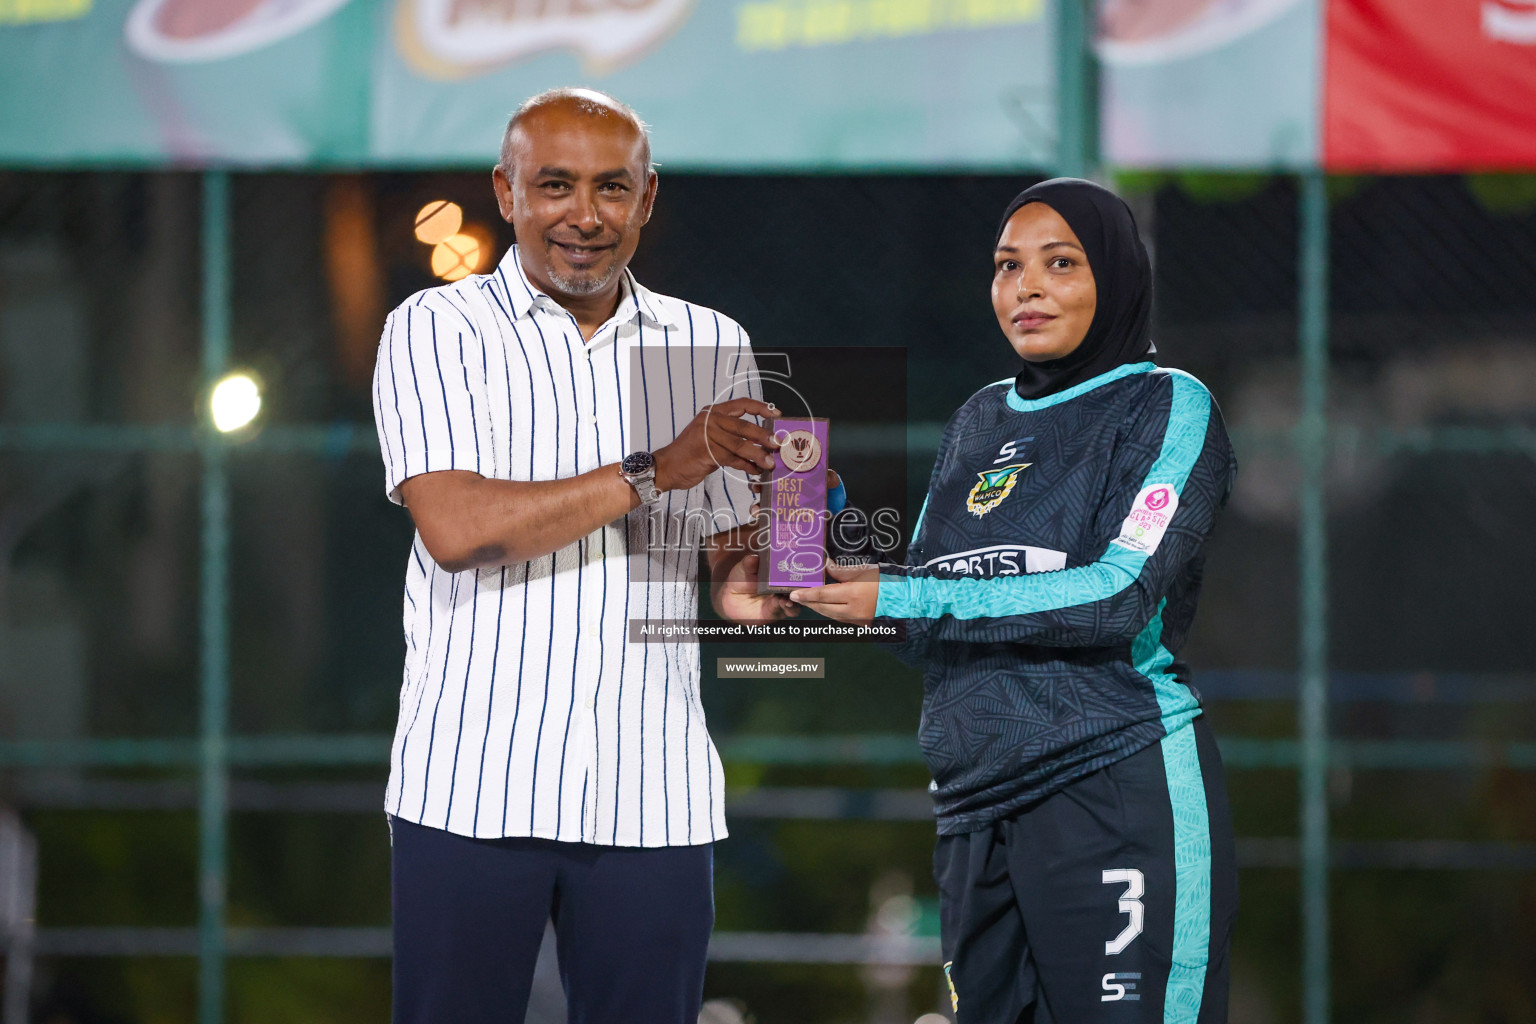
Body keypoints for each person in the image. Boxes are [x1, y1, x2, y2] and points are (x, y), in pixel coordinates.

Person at [370, 87, 795, 1024]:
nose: (584, 215)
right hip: (473, 783)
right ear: (506, 191)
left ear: (647, 199)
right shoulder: (438, 329)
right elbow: (457, 527)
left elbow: (735, 586)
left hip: (655, 791)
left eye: (613, 188)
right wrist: (655, 470)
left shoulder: (708, 339)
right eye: (554, 185)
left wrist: (795, 537)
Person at [793, 178, 1239, 1022]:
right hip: (972, 810)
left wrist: (909, 596)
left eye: (1059, 263)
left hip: (1110, 784)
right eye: (1007, 267)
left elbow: (1119, 595)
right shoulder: (978, 420)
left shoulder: (1165, 402)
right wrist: (825, 559)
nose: (1025, 287)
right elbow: (926, 617)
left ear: (1115, 276)